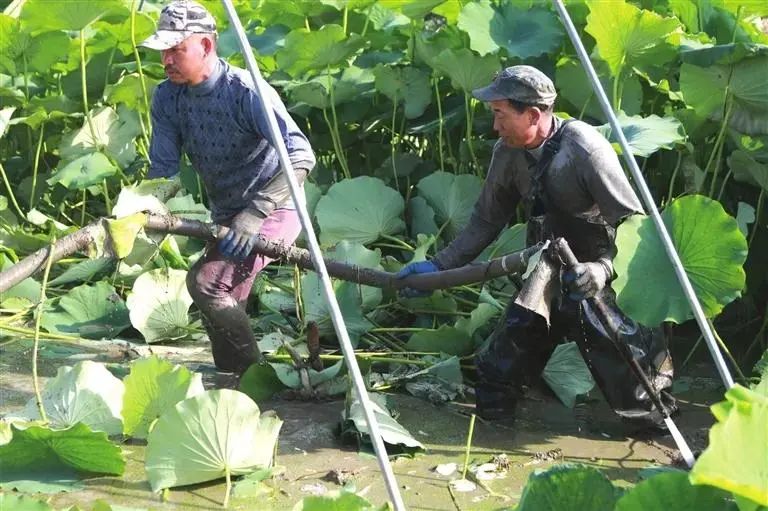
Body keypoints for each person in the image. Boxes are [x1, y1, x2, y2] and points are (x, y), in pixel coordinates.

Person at [398, 66, 676, 431]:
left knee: (635, 379)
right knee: (499, 367)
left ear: (532, 115)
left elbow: (635, 228)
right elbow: (485, 220)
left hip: (598, 276)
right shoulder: (508, 153)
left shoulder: (584, 149)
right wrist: (438, 266)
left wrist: (602, 270)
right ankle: (493, 433)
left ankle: (659, 434)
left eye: (500, 115)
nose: (495, 126)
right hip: (545, 269)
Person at [140, 1, 315, 376]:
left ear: (205, 46)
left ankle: (257, 377)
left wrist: (256, 213)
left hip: (275, 207)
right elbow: (163, 170)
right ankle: (236, 390)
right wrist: (142, 215)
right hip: (225, 214)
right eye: (163, 51)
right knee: (217, 310)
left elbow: (301, 156)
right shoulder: (167, 96)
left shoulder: (245, 91)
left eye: (176, 50)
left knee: (206, 284)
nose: (166, 60)